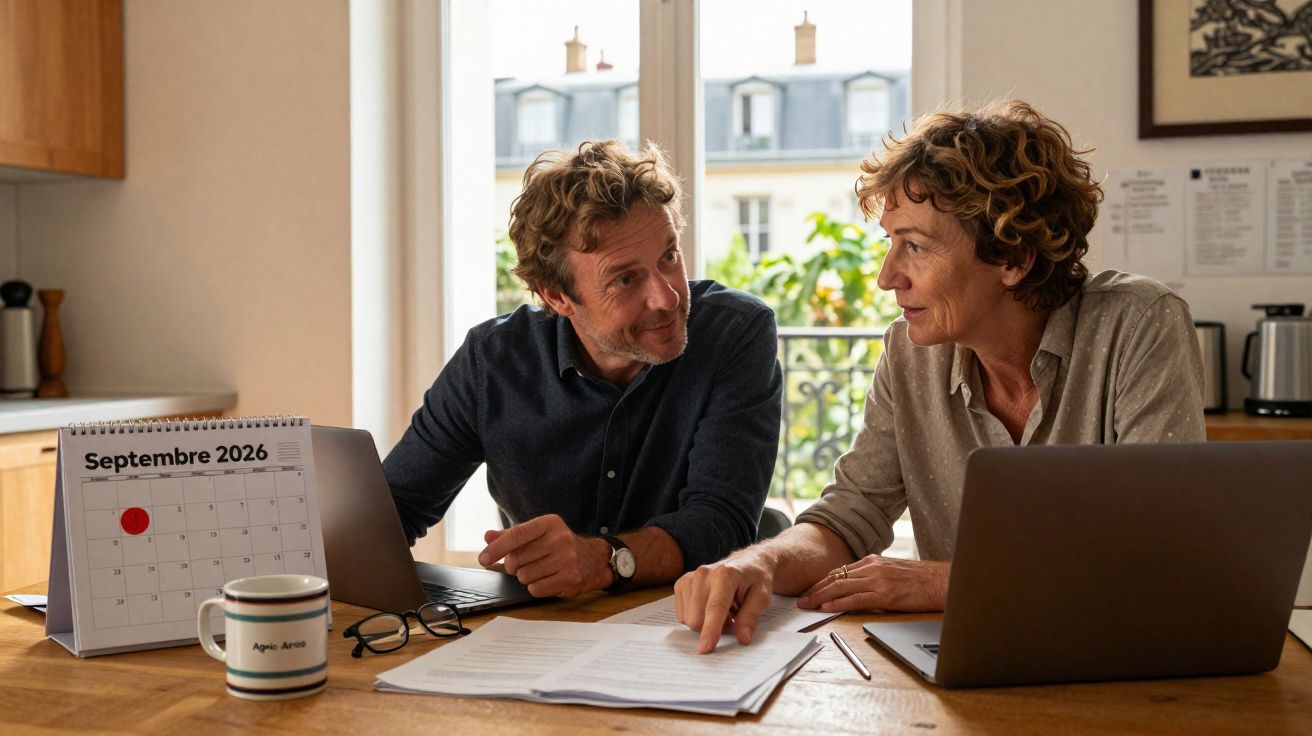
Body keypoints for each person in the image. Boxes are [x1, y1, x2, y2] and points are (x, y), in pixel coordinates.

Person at [674, 99, 1206, 653]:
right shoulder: (909, 353)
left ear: (1013, 258)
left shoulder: (1141, 324)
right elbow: (852, 513)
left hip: (1122, 659)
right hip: (969, 663)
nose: (886, 277)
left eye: (916, 247)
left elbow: (1159, 557)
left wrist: (939, 581)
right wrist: (758, 560)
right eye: (890, 243)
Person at [385, 140, 783, 600]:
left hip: (693, 630)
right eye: (625, 279)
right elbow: (394, 510)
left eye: (669, 257)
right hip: (542, 638)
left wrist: (604, 561)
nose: (668, 298)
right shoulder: (492, 361)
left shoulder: (734, 333)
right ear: (556, 297)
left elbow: (721, 523)